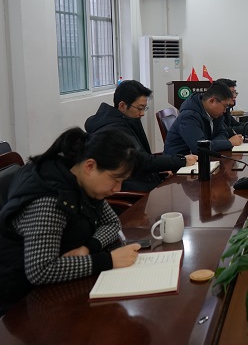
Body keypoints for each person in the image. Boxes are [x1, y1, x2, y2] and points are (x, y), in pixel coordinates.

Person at [0, 128, 143, 315]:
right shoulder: (50, 201)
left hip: (59, 289)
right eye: (115, 179)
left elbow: (112, 224)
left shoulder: (81, 181)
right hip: (23, 304)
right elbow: (41, 270)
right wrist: (108, 260)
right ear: (90, 166)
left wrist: (88, 247)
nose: (117, 188)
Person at [84, 80, 197, 192]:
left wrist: (157, 171)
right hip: (132, 192)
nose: (142, 113)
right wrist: (181, 161)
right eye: (140, 108)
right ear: (122, 106)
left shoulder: (127, 120)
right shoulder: (113, 130)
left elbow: (141, 159)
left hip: (143, 181)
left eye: (144, 108)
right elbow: (141, 161)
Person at [164, 82, 244, 155]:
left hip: (202, 158)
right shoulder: (189, 116)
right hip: (180, 162)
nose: (225, 111)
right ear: (212, 101)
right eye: (224, 106)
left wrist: (213, 144)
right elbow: (199, 147)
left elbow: (223, 133)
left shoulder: (215, 114)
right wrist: (229, 143)